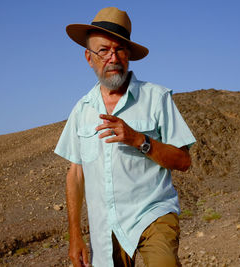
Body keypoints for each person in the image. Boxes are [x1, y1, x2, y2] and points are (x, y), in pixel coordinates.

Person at [55, 7, 196, 267]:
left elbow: (184, 161)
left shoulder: (157, 98)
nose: (113, 57)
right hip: (104, 228)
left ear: (128, 56)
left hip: (153, 214)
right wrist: (75, 236)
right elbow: (75, 174)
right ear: (89, 58)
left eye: (119, 49)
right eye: (103, 50)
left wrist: (138, 140)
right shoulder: (82, 110)